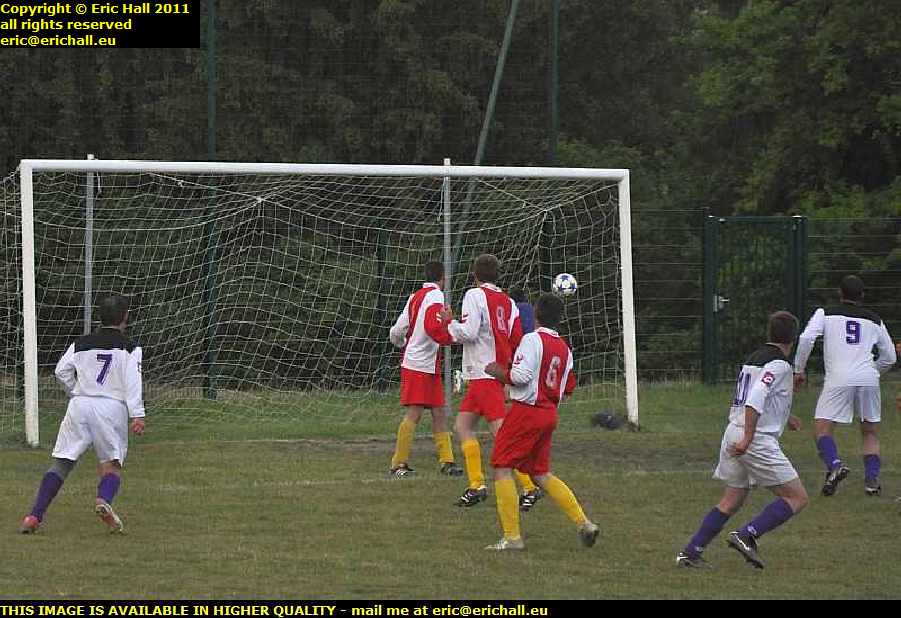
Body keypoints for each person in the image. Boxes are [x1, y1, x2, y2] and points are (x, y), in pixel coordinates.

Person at [677, 311, 808, 569]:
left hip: (733, 430)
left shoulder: (754, 358)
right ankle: (747, 534)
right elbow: (755, 398)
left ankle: (690, 552)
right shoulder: (780, 365)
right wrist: (749, 437)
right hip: (754, 438)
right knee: (797, 497)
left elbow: (758, 396)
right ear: (793, 338)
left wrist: (786, 416)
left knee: (733, 499)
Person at [483, 293, 600, 550]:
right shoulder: (564, 349)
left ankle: (512, 537)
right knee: (540, 473)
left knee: (502, 466)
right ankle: (584, 523)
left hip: (527, 411)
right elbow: (568, 386)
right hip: (549, 414)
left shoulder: (532, 340)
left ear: (536, 314)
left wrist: (498, 372)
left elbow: (520, 376)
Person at [20, 294, 145, 534]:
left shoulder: (81, 343)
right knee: (112, 465)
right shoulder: (131, 347)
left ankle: (34, 516)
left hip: (79, 405)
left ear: (100, 316)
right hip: (110, 408)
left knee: (62, 462)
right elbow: (133, 382)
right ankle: (103, 500)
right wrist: (137, 414)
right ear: (125, 317)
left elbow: (61, 371)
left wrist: (75, 392)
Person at [446, 254, 538, 507]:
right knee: (462, 426)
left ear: (475, 275)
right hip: (490, 374)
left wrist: (450, 323)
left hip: (483, 372)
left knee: (501, 434)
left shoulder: (474, 295)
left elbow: (469, 332)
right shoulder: (508, 302)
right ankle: (476, 485)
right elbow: (516, 337)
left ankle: (529, 485)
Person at [794, 275, 896, 496]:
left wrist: (799, 369)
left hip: (839, 377)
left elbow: (806, 338)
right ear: (862, 295)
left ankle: (835, 465)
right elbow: (890, 357)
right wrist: (872, 372)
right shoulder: (874, 320)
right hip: (868, 377)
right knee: (869, 432)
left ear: (840, 293)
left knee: (822, 428)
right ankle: (871, 481)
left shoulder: (825, 313)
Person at [387, 261, 462, 477]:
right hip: (419, 364)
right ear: (443, 278)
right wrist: (450, 335)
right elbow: (433, 328)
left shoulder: (415, 297)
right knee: (415, 412)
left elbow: (397, 330)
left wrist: (402, 343)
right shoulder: (436, 296)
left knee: (439, 412)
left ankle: (447, 461)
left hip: (423, 363)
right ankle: (398, 463)